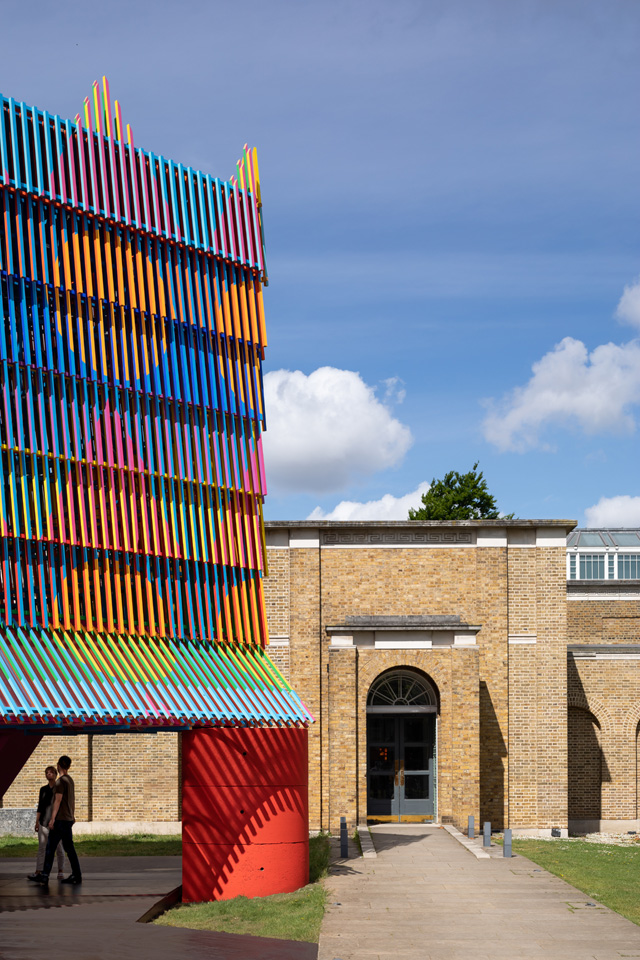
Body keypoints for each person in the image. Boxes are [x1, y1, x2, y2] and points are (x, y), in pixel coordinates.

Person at [35, 755, 82, 886]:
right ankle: (77, 875)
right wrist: (72, 815)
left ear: (58, 766)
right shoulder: (70, 780)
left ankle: (44, 875)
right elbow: (72, 800)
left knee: (50, 847)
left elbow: (58, 800)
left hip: (60, 820)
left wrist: (52, 819)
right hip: (67, 819)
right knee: (69, 848)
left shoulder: (60, 782)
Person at [27, 766, 66, 881]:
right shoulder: (43, 789)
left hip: (56, 823)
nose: (48, 774)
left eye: (51, 772)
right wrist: (37, 822)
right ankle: (38, 871)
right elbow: (40, 806)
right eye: (46, 773)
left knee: (59, 848)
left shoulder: (59, 788)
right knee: (42, 848)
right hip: (43, 822)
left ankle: (60, 871)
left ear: (55, 774)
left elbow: (62, 805)